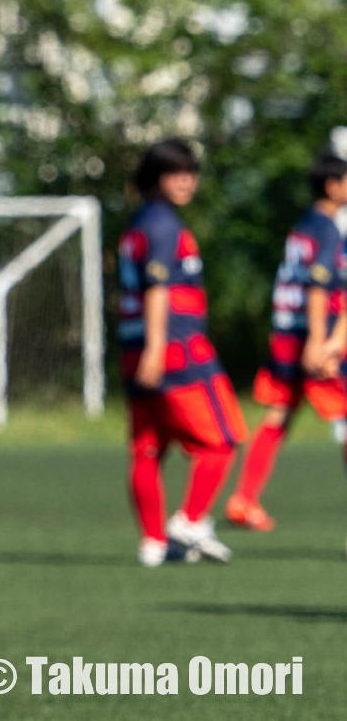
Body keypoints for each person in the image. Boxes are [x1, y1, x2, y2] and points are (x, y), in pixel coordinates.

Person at [118, 139, 246, 566]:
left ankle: (153, 543)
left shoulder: (139, 222)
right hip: (173, 348)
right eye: (177, 173)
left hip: (133, 346)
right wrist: (157, 349)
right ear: (157, 178)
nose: (187, 181)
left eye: (191, 172)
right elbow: (158, 288)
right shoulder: (163, 224)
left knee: (147, 447)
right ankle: (190, 520)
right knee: (224, 438)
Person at [226, 153, 347, 532]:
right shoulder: (328, 230)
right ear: (332, 185)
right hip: (317, 336)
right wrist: (321, 341)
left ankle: (243, 498)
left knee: (279, 414)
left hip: (286, 334)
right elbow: (318, 286)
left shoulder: (303, 226)